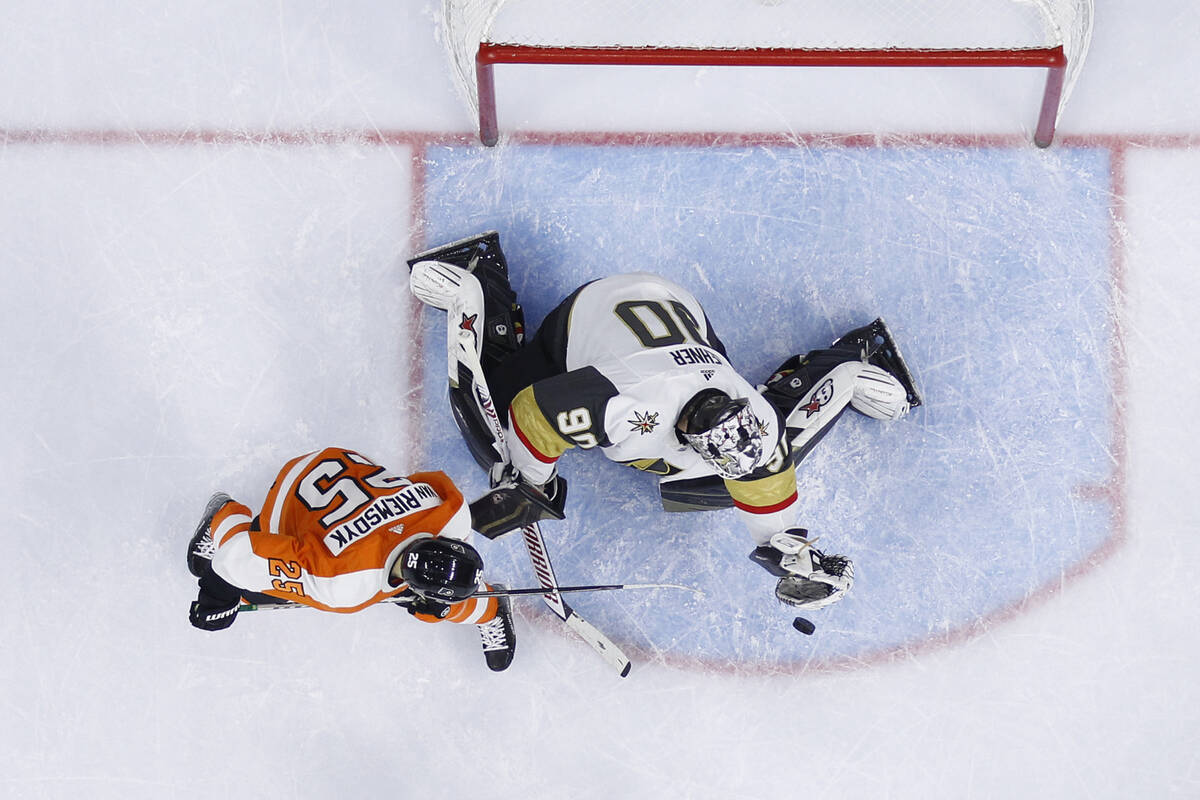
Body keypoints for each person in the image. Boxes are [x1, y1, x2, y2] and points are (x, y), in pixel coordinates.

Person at [407, 231, 921, 614]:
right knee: (495, 428)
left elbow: (765, 490)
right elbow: (534, 413)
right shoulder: (623, 403)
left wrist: (786, 549)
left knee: (732, 484)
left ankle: (852, 364)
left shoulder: (758, 427)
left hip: (686, 319)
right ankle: (476, 289)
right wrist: (529, 479)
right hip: (589, 318)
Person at [185, 446, 517, 672]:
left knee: (432, 597)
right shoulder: (342, 583)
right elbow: (239, 557)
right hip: (290, 498)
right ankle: (223, 514)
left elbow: (420, 483)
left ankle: (491, 609)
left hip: (343, 462)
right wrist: (219, 594)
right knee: (255, 589)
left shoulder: (454, 514)